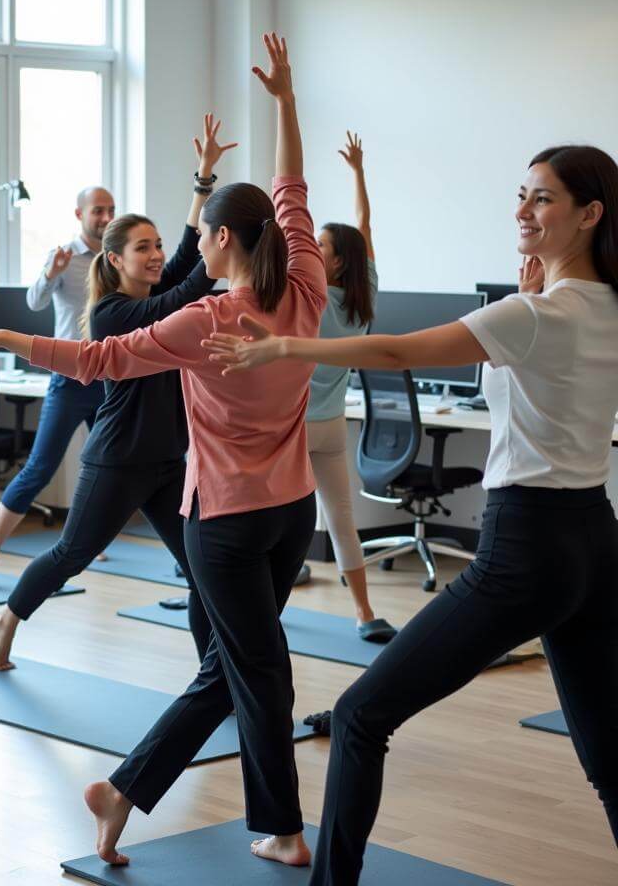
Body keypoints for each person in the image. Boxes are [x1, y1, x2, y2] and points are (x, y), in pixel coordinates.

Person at [0, 33, 327, 869]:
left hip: (229, 519)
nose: (180, 252)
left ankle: (144, 796)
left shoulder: (204, 322)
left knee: (248, 670)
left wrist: (12, 334)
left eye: (196, 238)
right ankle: (262, 823)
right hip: (286, 511)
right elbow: (294, 191)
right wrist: (287, 103)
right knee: (252, 670)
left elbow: (94, 361)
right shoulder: (305, 287)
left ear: (220, 239)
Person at [203, 145, 618, 883]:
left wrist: (284, 347)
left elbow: (397, 349)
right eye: (521, 194)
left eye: (543, 200)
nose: (523, 210)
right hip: (593, 539)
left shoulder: (531, 315)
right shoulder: (597, 308)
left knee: (362, 717)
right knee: (610, 756)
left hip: (525, 546)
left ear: (591, 214)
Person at [0, 113, 235, 671]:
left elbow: (189, 263)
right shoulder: (114, 313)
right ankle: (6, 617)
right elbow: (190, 285)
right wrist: (217, 250)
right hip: (118, 460)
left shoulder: (156, 292)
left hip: (169, 461)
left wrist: (203, 181)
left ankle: (210, 677)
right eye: (142, 247)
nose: (155, 255)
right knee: (72, 554)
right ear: (115, 259)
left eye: (158, 245)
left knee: (199, 571)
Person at [0, 187, 113, 592]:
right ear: (79, 212)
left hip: (107, 378)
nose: (105, 216)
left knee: (108, 465)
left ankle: (90, 538)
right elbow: (33, 303)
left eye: (111, 210)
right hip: (68, 378)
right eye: (98, 210)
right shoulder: (64, 256)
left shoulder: (115, 257)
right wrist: (50, 273)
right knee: (39, 469)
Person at [309, 132, 395, 641]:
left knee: (286, 518)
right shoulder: (366, 295)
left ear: (336, 262)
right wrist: (359, 173)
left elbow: (358, 231)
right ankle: (364, 613)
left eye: (319, 246)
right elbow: (363, 228)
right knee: (341, 516)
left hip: (296, 425)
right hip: (331, 423)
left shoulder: (308, 300)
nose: (309, 250)